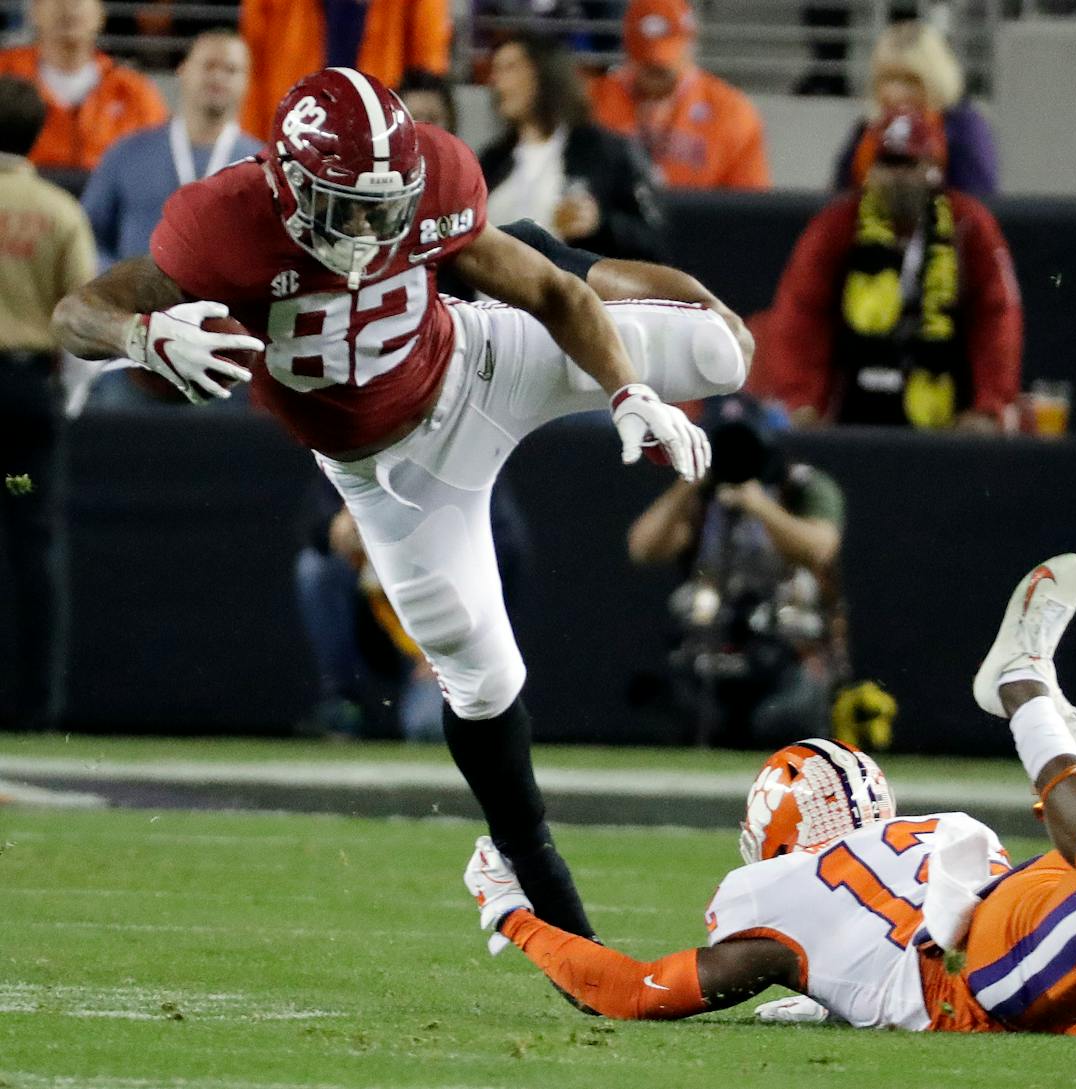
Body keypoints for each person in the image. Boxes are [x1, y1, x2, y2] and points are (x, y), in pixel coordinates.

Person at [51, 68, 751, 942]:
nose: (366, 231)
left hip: (480, 363)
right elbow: (78, 310)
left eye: (384, 207)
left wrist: (628, 394)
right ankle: (521, 859)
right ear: (287, 182)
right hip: (390, 473)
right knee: (486, 678)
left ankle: (535, 242)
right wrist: (139, 334)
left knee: (726, 353)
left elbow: (553, 297)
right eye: (344, 206)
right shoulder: (222, 225)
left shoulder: (436, 181)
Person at [465, 553, 1076, 1032]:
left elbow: (626, 992)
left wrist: (514, 913)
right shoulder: (931, 828)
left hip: (982, 970)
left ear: (774, 833)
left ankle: (1026, 693)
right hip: (1030, 903)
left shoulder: (773, 902)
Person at [754, 107, 1021, 432]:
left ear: (934, 169)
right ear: (869, 169)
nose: (896, 176)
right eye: (886, 163)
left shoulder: (970, 226)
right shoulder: (836, 226)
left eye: (909, 164)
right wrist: (801, 401)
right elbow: (801, 317)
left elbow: (997, 318)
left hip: (948, 409)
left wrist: (990, 407)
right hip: (849, 408)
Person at [627, 394, 848, 746]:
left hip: (788, 647)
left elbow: (820, 548)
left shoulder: (799, 486)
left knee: (781, 722)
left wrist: (760, 505)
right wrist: (690, 483)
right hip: (713, 649)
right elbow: (644, 547)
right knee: (683, 716)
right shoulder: (701, 498)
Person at [0, 75, 98, 729]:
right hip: (25, 394)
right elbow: (87, 317)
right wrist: (65, 396)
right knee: (31, 543)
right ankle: (36, 704)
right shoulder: (60, 210)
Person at [480, 33, 666, 263]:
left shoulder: (606, 151)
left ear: (546, 73)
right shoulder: (492, 160)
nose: (496, 81)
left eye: (511, 68)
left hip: (576, 293)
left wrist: (601, 224)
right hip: (491, 296)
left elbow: (654, 239)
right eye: (495, 70)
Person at [83, 32, 261, 270]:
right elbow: (86, 235)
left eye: (231, 70)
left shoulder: (264, 167)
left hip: (229, 306)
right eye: (208, 66)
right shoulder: (127, 153)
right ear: (183, 70)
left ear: (248, 82)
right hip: (136, 303)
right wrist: (116, 287)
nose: (218, 77)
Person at [588, 0, 771, 191]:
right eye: (647, 61)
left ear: (690, 45)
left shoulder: (732, 112)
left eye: (666, 58)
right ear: (627, 48)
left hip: (699, 219)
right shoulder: (591, 102)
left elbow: (752, 203)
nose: (658, 67)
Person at [237, 0, 451, 141]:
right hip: (295, 132)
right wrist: (259, 146)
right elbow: (253, 70)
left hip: (383, 138)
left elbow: (427, 72)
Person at [831, 21, 998, 199]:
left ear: (936, 81)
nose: (895, 93)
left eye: (910, 80)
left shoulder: (963, 128)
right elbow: (840, 200)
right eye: (887, 79)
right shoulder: (866, 130)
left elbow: (977, 202)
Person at [0, 0, 166, 172]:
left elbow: (155, 163)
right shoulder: (4, 74)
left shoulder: (133, 90)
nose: (69, 6)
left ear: (100, 14)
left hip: (106, 194)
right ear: (34, 11)